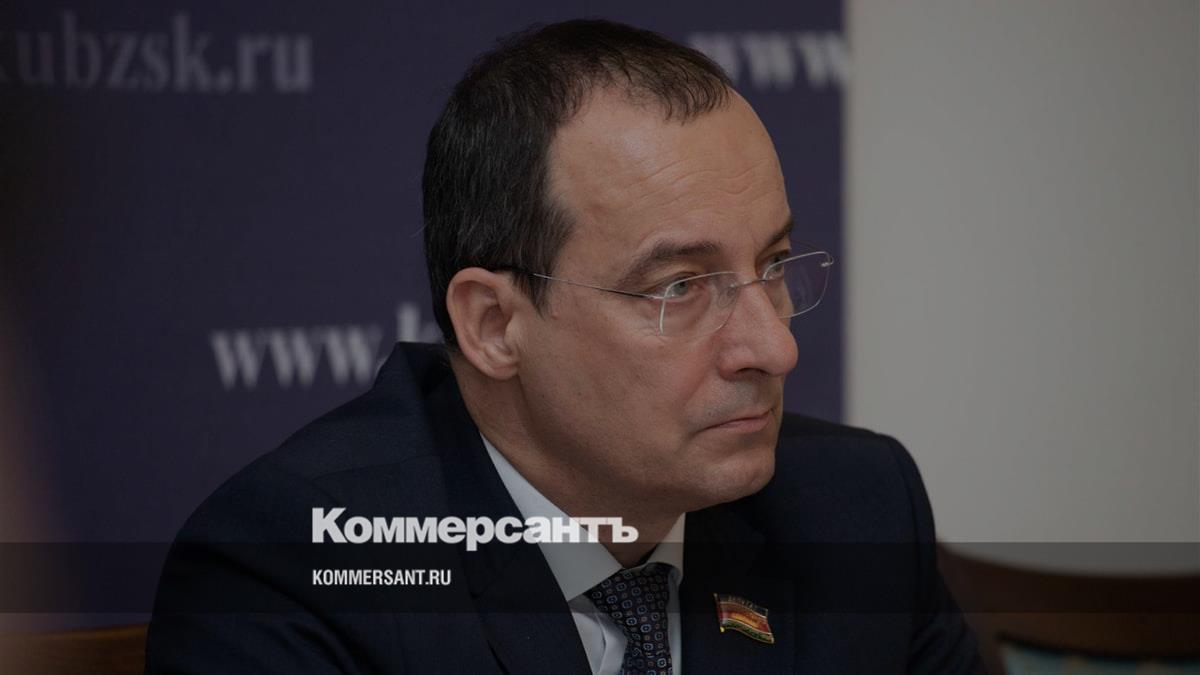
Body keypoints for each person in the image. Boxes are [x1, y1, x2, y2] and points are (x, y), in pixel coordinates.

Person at [147, 19, 984, 674]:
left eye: (771, 266)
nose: (774, 347)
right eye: (679, 287)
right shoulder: (293, 573)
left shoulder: (858, 510)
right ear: (494, 325)